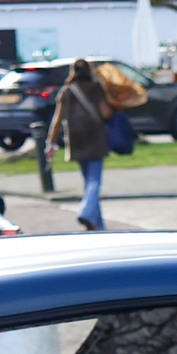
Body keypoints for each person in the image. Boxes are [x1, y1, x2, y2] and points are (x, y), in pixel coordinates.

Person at [56, 57, 111, 232]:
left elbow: (57, 118)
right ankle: (87, 212)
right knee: (94, 181)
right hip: (95, 137)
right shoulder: (96, 88)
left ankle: (97, 224)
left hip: (76, 139)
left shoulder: (67, 90)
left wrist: (51, 141)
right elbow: (105, 112)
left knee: (88, 180)